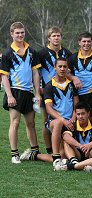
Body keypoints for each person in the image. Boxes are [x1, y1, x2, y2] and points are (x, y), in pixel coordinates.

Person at [0, 22, 42, 164]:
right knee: (15, 122)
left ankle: (35, 151)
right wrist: (10, 95)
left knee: (31, 123)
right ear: (11, 34)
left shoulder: (32, 51)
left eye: (22, 32)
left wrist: (37, 93)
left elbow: (35, 73)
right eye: (17, 33)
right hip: (15, 92)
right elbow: (4, 76)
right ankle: (14, 154)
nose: (20, 35)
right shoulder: (7, 54)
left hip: (29, 93)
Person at [38, 27, 74, 155]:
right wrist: (38, 89)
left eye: (58, 36)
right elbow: (36, 72)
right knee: (47, 120)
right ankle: (49, 150)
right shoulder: (42, 53)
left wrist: (73, 78)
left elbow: (69, 71)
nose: (56, 38)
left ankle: (58, 149)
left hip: (63, 88)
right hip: (47, 90)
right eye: (54, 36)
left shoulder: (67, 53)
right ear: (49, 38)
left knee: (58, 120)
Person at [43, 57, 79, 167]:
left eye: (65, 66)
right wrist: (63, 120)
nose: (62, 69)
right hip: (54, 122)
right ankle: (55, 158)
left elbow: (76, 104)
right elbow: (49, 108)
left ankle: (35, 156)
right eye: (60, 66)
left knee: (65, 155)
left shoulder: (72, 84)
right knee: (58, 122)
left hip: (70, 122)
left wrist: (73, 117)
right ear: (55, 68)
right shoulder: (49, 86)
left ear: (68, 68)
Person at [68, 31, 92, 112]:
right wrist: (73, 78)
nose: (86, 43)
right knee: (79, 119)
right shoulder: (72, 58)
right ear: (79, 42)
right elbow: (65, 73)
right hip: (77, 94)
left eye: (89, 41)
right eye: (84, 41)